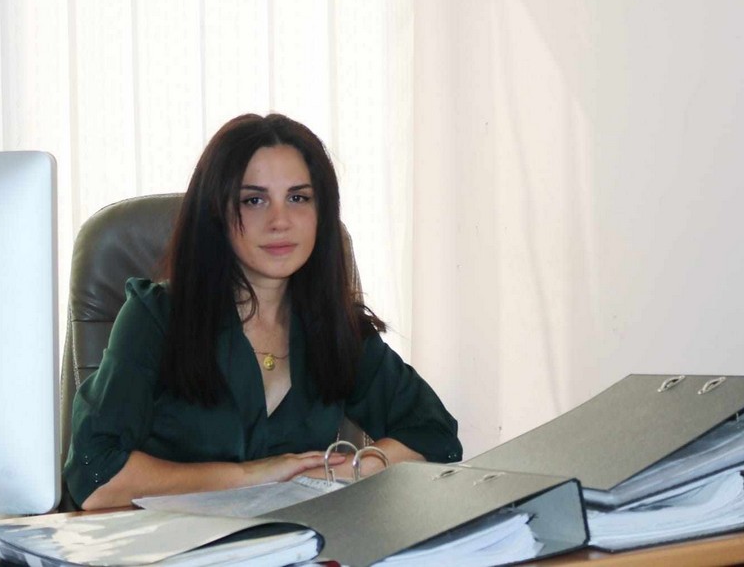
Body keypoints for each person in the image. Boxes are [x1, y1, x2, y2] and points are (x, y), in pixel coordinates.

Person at [64, 113, 462, 509]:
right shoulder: (155, 318)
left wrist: (342, 473)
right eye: (254, 200)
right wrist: (251, 477)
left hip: (302, 539)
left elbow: (434, 434)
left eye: (298, 198)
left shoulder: (336, 327)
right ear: (216, 213)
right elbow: (96, 477)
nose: (279, 221)